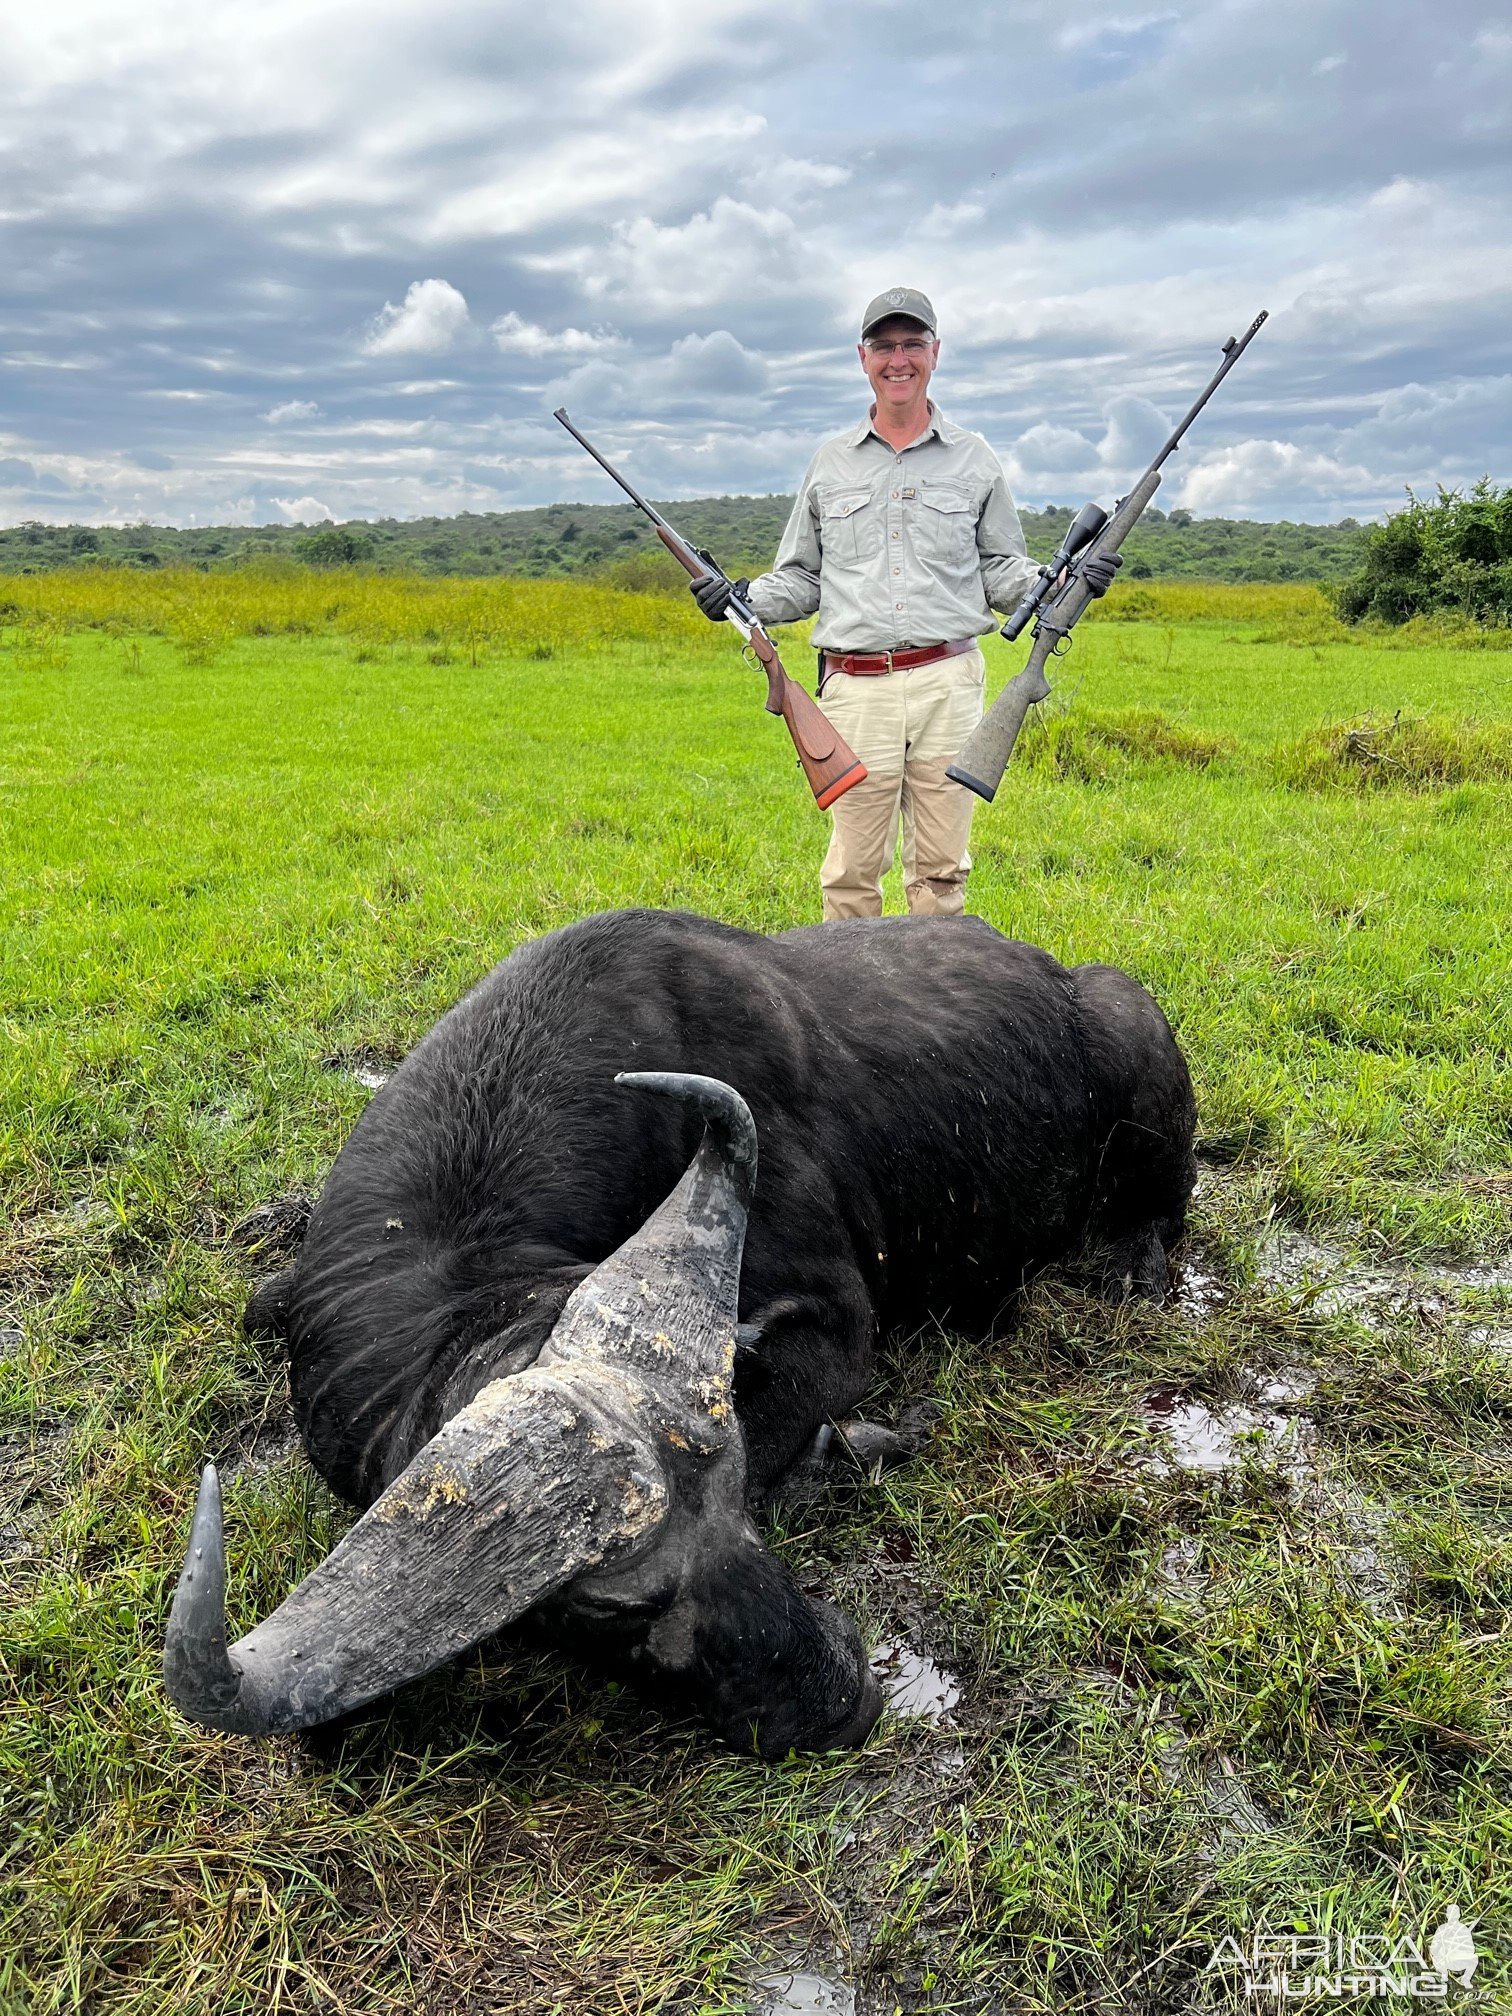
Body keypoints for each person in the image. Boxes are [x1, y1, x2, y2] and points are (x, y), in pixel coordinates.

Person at [691, 287, 1119, 920]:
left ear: (935, 353)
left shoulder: (975, 459)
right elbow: (805, 578)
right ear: (862, 357)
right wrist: (741, 597)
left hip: (949, 683)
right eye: (884, 346)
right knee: (852, 873)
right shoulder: (830, 464)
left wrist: (1061, 583)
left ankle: (936, 1011)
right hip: (856, 689)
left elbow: (1001, 572)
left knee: (942, 873)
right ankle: (848, 1011)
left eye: (913, 344)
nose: (899, 360)